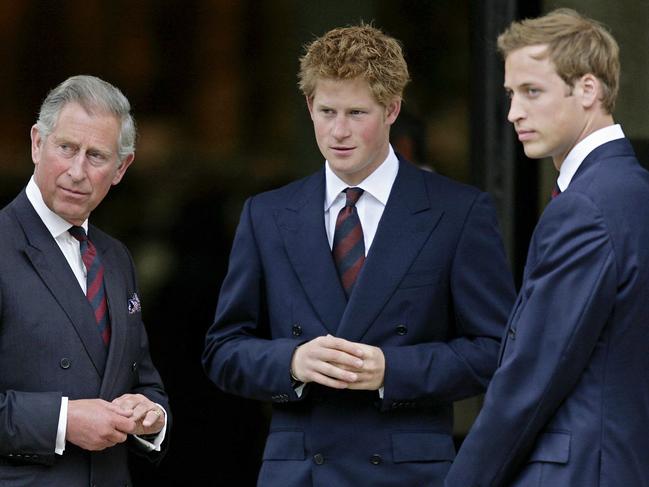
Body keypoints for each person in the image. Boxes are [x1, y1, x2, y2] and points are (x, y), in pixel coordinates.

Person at [203, 24, 514, 486]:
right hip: (301, 471)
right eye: (327, 111)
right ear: (309, 106)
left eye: (356, 112)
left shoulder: (458, 212)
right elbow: (223, 351)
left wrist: (393, 370)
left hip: (407, 472)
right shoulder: (267, 215)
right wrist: (292, 362)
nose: (339, 131)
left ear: (391, 109)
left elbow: (497, 349)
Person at [445, 8, 649, 486]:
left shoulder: (589, 206)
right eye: (511, 94)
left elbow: (534, 375)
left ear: (588, 89)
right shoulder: (631, 190)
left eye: (531, 91)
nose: (514, 111)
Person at [0, 75, 171, 486]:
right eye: (66, 148)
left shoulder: (115, 258)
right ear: (37, 143)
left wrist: (151, 414)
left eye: (96, 156)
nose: (77, 171)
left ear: (121, 168)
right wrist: (63, 421)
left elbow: (143, 379)